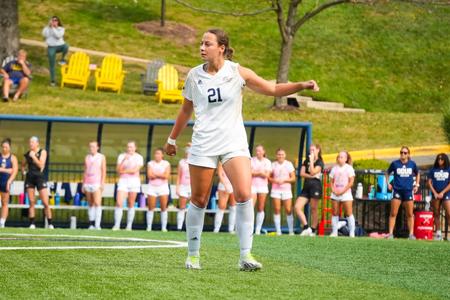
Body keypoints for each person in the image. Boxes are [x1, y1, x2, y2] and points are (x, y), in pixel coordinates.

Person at [164, 28, 319, 271]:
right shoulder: (194, 76)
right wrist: (172, 140)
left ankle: (245, 255)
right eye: (201, 44)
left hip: (233, 143)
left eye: (207, 43)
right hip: (204, 143)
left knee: (245, 194)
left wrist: (302, 85)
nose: (202, 48)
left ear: (221, 48)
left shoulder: (237, 72)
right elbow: (186, 110)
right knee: (199, 199)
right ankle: (193, 255)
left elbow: (272, 89)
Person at [386, 146, 420, 240]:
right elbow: (387, 172)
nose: (403, 154)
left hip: (408, 191)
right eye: (401, 152)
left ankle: (411, 234)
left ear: (408, 154)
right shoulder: (395, 163)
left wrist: (417, 185)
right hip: (397, 191)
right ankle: (390, 234)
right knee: (393, 213)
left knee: (409, 214)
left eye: (405, 153)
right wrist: (388, 183)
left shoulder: (412, 164)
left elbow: (417, 173)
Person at [22, 136, 53, 229]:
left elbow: (41, 165)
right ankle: (32, 223)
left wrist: (33, 156)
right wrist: (24, 172)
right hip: (30, 178)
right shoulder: (28, 153)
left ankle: (50, 223)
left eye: (32, 142)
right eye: (30, 142)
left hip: (40, 178)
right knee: (31, 201)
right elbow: (23, 164)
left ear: (37, 143)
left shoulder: (42, 152)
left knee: (45, 202)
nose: (30, 144)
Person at [295, 144, 324, 237]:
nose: (311, 152)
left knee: (314, 209)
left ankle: (313, 230)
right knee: (297, 207)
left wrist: (312, 161)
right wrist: (311, 176)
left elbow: (313, 171)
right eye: (310, 150)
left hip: (315, 186)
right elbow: (302, 173)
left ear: (318, 150)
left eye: (313, 150)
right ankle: (306, 226)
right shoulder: (306, 160)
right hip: (306, 187)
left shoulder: (320, 162)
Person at [113, 141, 143, 231]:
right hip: (123, 181)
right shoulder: (121, 156)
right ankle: (117, 225)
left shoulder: (139, 157)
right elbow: (118, 170)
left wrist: (124, 171)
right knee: (119, 202)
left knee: (131, 203)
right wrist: (123, 160)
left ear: (135, 148)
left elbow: (135, 170)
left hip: (134, 181)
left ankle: (129, 225)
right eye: (128, 147)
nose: (130, 149)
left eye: (131, 147)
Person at [269, 148, 296, 235]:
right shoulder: (273, 165)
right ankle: (278, 231)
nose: (280, 156)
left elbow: (293, 178)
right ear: (276, 156)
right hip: (275, 190)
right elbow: (269, 177)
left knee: (288, 210)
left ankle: (291, 231)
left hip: (286, 190)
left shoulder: (289, 164)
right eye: (279, 154)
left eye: (282, 154)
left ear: (285, 155)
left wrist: (284, 181)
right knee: (277, 209)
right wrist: (274, 181)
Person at [329, 151, 356, 237]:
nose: (339, 159)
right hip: (335, 194)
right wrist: (333, 190)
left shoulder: (349, 168)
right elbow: (331, 181)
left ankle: (352, 233)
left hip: (346, 194)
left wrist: (342, 191)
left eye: (342, 157)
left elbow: (351, 182)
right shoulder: (334, 168)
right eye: (339, 157)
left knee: (348, 213)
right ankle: (334, 232)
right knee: (335, 212)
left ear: (346, 159)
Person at [82, 141, 106, 230]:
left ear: (97, 147)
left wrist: (102, 183)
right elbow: (85, 171)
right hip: (88, 182)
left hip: (97, 182)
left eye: (93, 146)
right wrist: (83, 184)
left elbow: (104, 170)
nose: (91, 148)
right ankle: (91, 223)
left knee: (97, 203)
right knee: (90, 203)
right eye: (90, 146)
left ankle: (97, 224)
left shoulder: (101, 157)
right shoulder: (87, 157)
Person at [146, 148, 171, 232]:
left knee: (163, 207)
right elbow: (149, 175)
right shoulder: (150, 163)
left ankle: (164, 227)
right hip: (152, 187)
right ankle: (149, 227)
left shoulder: (166, 163)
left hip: (163, 187)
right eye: (156, 153)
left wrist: (155, 174)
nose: (157, 155)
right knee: (150, 207)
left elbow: (166, 176)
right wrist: (161, 174)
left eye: (159, 153)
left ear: (162, 155)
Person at [427, 153, 450, 241]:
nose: (440, 160)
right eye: (438, 159)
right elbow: (429, 182)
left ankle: (448, 235)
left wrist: (443, 192)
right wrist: (435, 193)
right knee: (436, 213)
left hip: (446, 194)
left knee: (449, 213)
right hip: (435, 194)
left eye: (442, 159)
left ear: (445, 160)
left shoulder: (448, 169)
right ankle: (438, 233)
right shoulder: (433, 170)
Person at [42, 16, 69, 86]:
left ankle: (62, 59)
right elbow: (44, 34)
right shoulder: (48, 28)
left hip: (60, 46)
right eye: (53, 20)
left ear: (58, 22)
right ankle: (53, 81)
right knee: (52, 65)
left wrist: (54, 28)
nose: (54, 22)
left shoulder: (61, 29)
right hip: (51, 47)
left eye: (55, 20)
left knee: (66, 46)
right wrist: (49, 27)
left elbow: (58, 36)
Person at [251, 145, 272, 235]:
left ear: (264, 151)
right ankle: (249, 228)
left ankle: (258, 230)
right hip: (252, 186)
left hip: (263, 187)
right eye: (257, 151)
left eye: (260, 151)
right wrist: (260, 173)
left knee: (260, 208)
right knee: (250, 207)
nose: (258, 152)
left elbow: (267, 175)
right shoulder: (251, 160)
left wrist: (256, 173)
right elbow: (249, 172)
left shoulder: (267, 162)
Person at [213, 162, 237, 234]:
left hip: (233, 185)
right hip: (223, 186)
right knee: (221, 207)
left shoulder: (235, 160)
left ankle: (231, 229)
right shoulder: (221, 162)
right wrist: (226, 186)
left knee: (233, 207)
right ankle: (216, 229)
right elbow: (220, 174)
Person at [0, 139, 18, 228]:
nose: (4, 149)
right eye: (3, 147)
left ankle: (2, 222)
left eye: (6, 147)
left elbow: (14, 171)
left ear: (10, 147)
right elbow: (10, 170)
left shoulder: (13, 158)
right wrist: (8, 170)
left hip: (5, 182)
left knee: (4, 202)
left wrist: (9, 182)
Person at [176, 144, 191, 231]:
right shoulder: (181, 162)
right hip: (183, 186)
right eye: (187, 152)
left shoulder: (196, 161)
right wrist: (177, 187)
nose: (188, 153)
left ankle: (190, 227)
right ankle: (179, 227)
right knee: (182, 207)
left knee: (193, 208)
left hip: (192, 186)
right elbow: (179, 176)